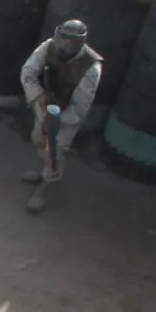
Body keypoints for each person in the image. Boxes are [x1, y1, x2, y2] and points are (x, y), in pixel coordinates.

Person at [19, 20, 102, 213]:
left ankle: (45, 189)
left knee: (54, 153)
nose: (62, 45)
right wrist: (38, 96)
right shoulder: (48, 47)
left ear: (79, 43)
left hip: (67, 116)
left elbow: (80, 107)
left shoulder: (91, 67)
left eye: (69, 41)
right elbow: (28, 72)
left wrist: (56, 121)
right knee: (38, 140)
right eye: (61, 38)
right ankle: (43, 172)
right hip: (44, 104)